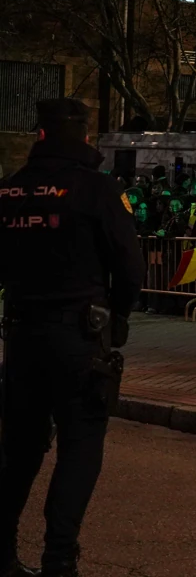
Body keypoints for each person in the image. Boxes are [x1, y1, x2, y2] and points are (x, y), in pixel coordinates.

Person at [0, 98, 143, 577]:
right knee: (80, 447)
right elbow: (128, 264)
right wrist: (119, 314)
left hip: (22, 337)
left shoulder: (11, 191)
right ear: (84, 136)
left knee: (18, 450)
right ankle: (59, 558)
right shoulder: (98, 189)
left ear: (40, 135)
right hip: (80, 338)